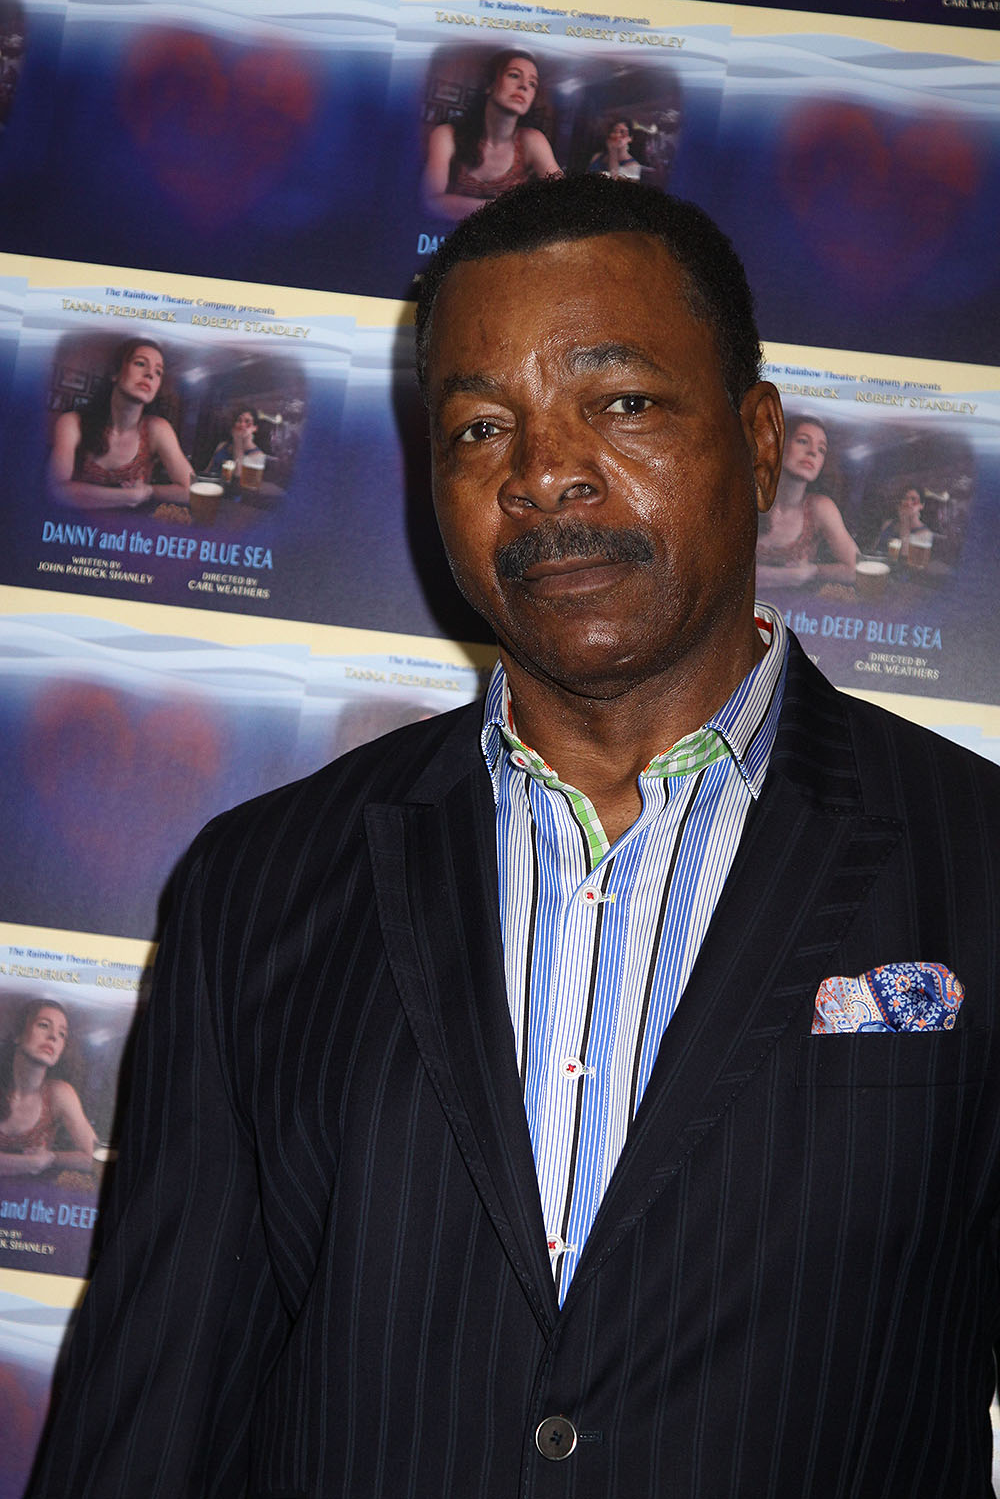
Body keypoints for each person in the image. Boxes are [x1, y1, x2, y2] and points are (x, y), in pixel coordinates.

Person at [29, 176, 1000, 1498]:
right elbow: (152, 1413)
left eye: (623, 404)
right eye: (481, 427)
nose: (545, 472)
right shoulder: (259, 885)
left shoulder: (974, 862)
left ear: (760, 441)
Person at [48, 339, 194, 511]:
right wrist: (130, 496)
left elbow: (192, 491)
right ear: (115, 373)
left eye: (158, 372)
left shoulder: (157, 428)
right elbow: (57, 491)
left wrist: (148, 491)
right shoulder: (72, 422)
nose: (150, 374)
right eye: (140, 363)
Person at [423, 49, 560, 221]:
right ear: (490, 85)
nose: (524, 86)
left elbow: (563, 200)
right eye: (514, 75)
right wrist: (507, 210)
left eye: (532, 84)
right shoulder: (446, 134)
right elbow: (431, 203)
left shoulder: (532, 140)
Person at [755, 414, 857, 587]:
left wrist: (814, 570)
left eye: (821, 450)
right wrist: (785, 576)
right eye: (803, 441)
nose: (813, 452)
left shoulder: (819, 507)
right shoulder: (744, 495)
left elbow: (856, 569)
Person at [0, 999, 96, 1177]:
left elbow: (94, 1157)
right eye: (44, 1025)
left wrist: (52, 1157)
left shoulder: (58, 1093)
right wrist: (29, 1163)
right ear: (18, 1034)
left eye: (62, 1034)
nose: (53, 1037)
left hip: (33, 1194)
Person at [206, 405, 263, 482]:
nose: (242, 424)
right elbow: (207, 471)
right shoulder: (222, 445)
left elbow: (238, 477)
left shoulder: (257, 455)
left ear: (255, 428)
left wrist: (238, 441)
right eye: (239, 420)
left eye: (247, 422)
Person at [877, 485, 932, 557]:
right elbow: (875, 550)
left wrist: (905, 523)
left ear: (921, 505)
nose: (908, 503)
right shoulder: (888, 523)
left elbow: (905, 557)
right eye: (905, 498)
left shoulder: (925, 533)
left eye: (914, 500)